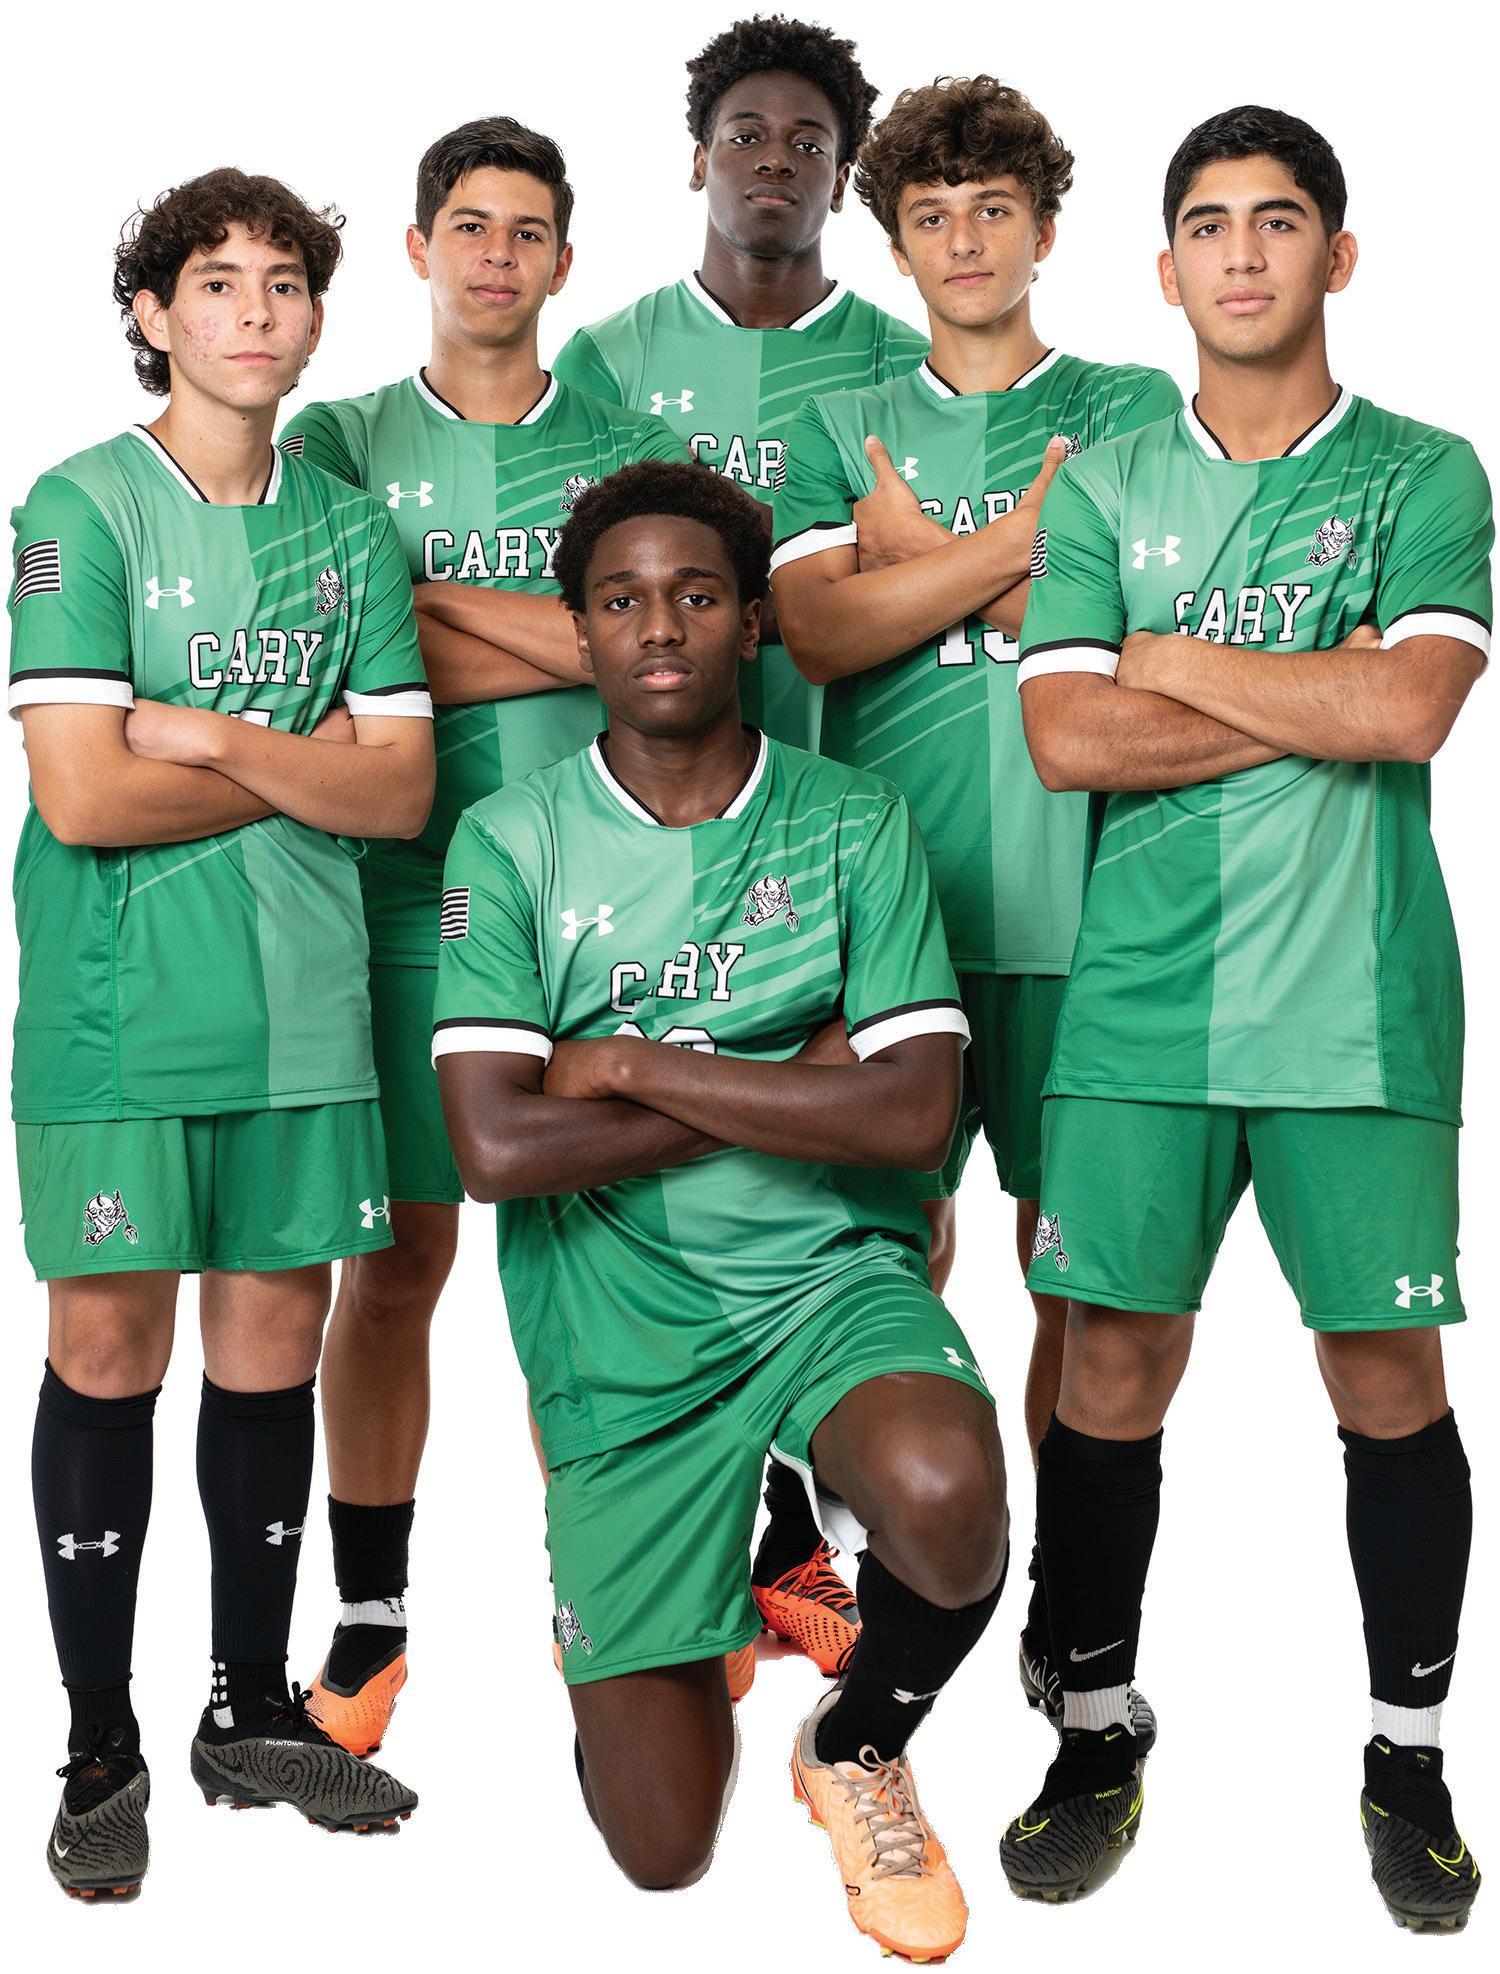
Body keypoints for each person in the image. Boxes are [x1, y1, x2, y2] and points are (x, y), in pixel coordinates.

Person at [998, 107, 1489, 1931]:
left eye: (1279, 222)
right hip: (1136, 1007)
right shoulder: (1105, 484)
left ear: (1336, 255)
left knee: (1387, 1379)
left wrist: (1179, 659)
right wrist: (1318, 681)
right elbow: (1067, 738)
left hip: (1356, 1001)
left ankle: (1408, 1761)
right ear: (1165, 269)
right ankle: (1096, 1732)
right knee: (1110, 1371)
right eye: (1208, 225)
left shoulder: (1426, 468)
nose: (1244, 254)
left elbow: (1413, 710)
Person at [434, 459, 1006, 1961]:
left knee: (947, 1496)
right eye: (620, 599)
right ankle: (675, 1580)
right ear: (580, 632)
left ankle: (858, 1741)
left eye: (695, 594)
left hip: (826, 1278)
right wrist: (791, 1075)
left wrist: (624, 1063)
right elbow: (495, 1146)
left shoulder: (855, 820)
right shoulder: (509, 842)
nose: (659, 624)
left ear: (751, 621)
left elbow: (912, 1111)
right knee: (663, 1850)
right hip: (616, 1324)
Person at [10, 168, 431, 1898]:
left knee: (273, 1345)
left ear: (318, 315)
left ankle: (250, 1708)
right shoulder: (81, 508)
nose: (255, 311)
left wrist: (209, 733)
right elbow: (84, 796)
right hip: (119, 1013)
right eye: (216, 282)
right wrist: (299, 760)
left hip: (306, 1010)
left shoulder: (349, 530)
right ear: (152, 314)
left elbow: (398, 792)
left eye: (284, 283)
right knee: (111, 1350)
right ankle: (99, 1746)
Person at [772, 75, 1180, 1730]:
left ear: (1045, 229)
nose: (964, 241)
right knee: (884, 1259)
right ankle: (898, 1568)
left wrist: (916, 558)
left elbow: (1146, 633)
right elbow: (817, 633)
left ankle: (1060, 1593)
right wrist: (1024, 543)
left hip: (1097, 909)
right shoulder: (843, 420)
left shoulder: (1135, 405)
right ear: (894, 242)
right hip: (896, 919)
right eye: (931, 215)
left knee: (1075, 1275)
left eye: (993, 209)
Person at [280, 117, 688, 1750]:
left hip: (601, 916)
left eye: (527, 231)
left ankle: (630, 1604)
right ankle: (372, 1613)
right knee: (394, 1267)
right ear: (418, 249)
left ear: (565, 263)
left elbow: (656, 657)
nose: (497, 255)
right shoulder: (335, 439)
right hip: (393, 903)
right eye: (469, 225)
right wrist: (564, 634)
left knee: (611, 1278)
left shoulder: (631, 450)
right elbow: (328, 660)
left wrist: (426, 605)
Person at [555, 13, 930, 1679]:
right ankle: (715, 1548)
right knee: (659, 1192)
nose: (775, 162)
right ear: (698, 158)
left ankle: (819, 1518)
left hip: (840, 815)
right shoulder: (609, 359)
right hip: (650, 838)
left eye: (808, 143)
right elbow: (575, 586)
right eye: (747, 135)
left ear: (843, 180)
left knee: (870, 1184)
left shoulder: (897, 367)